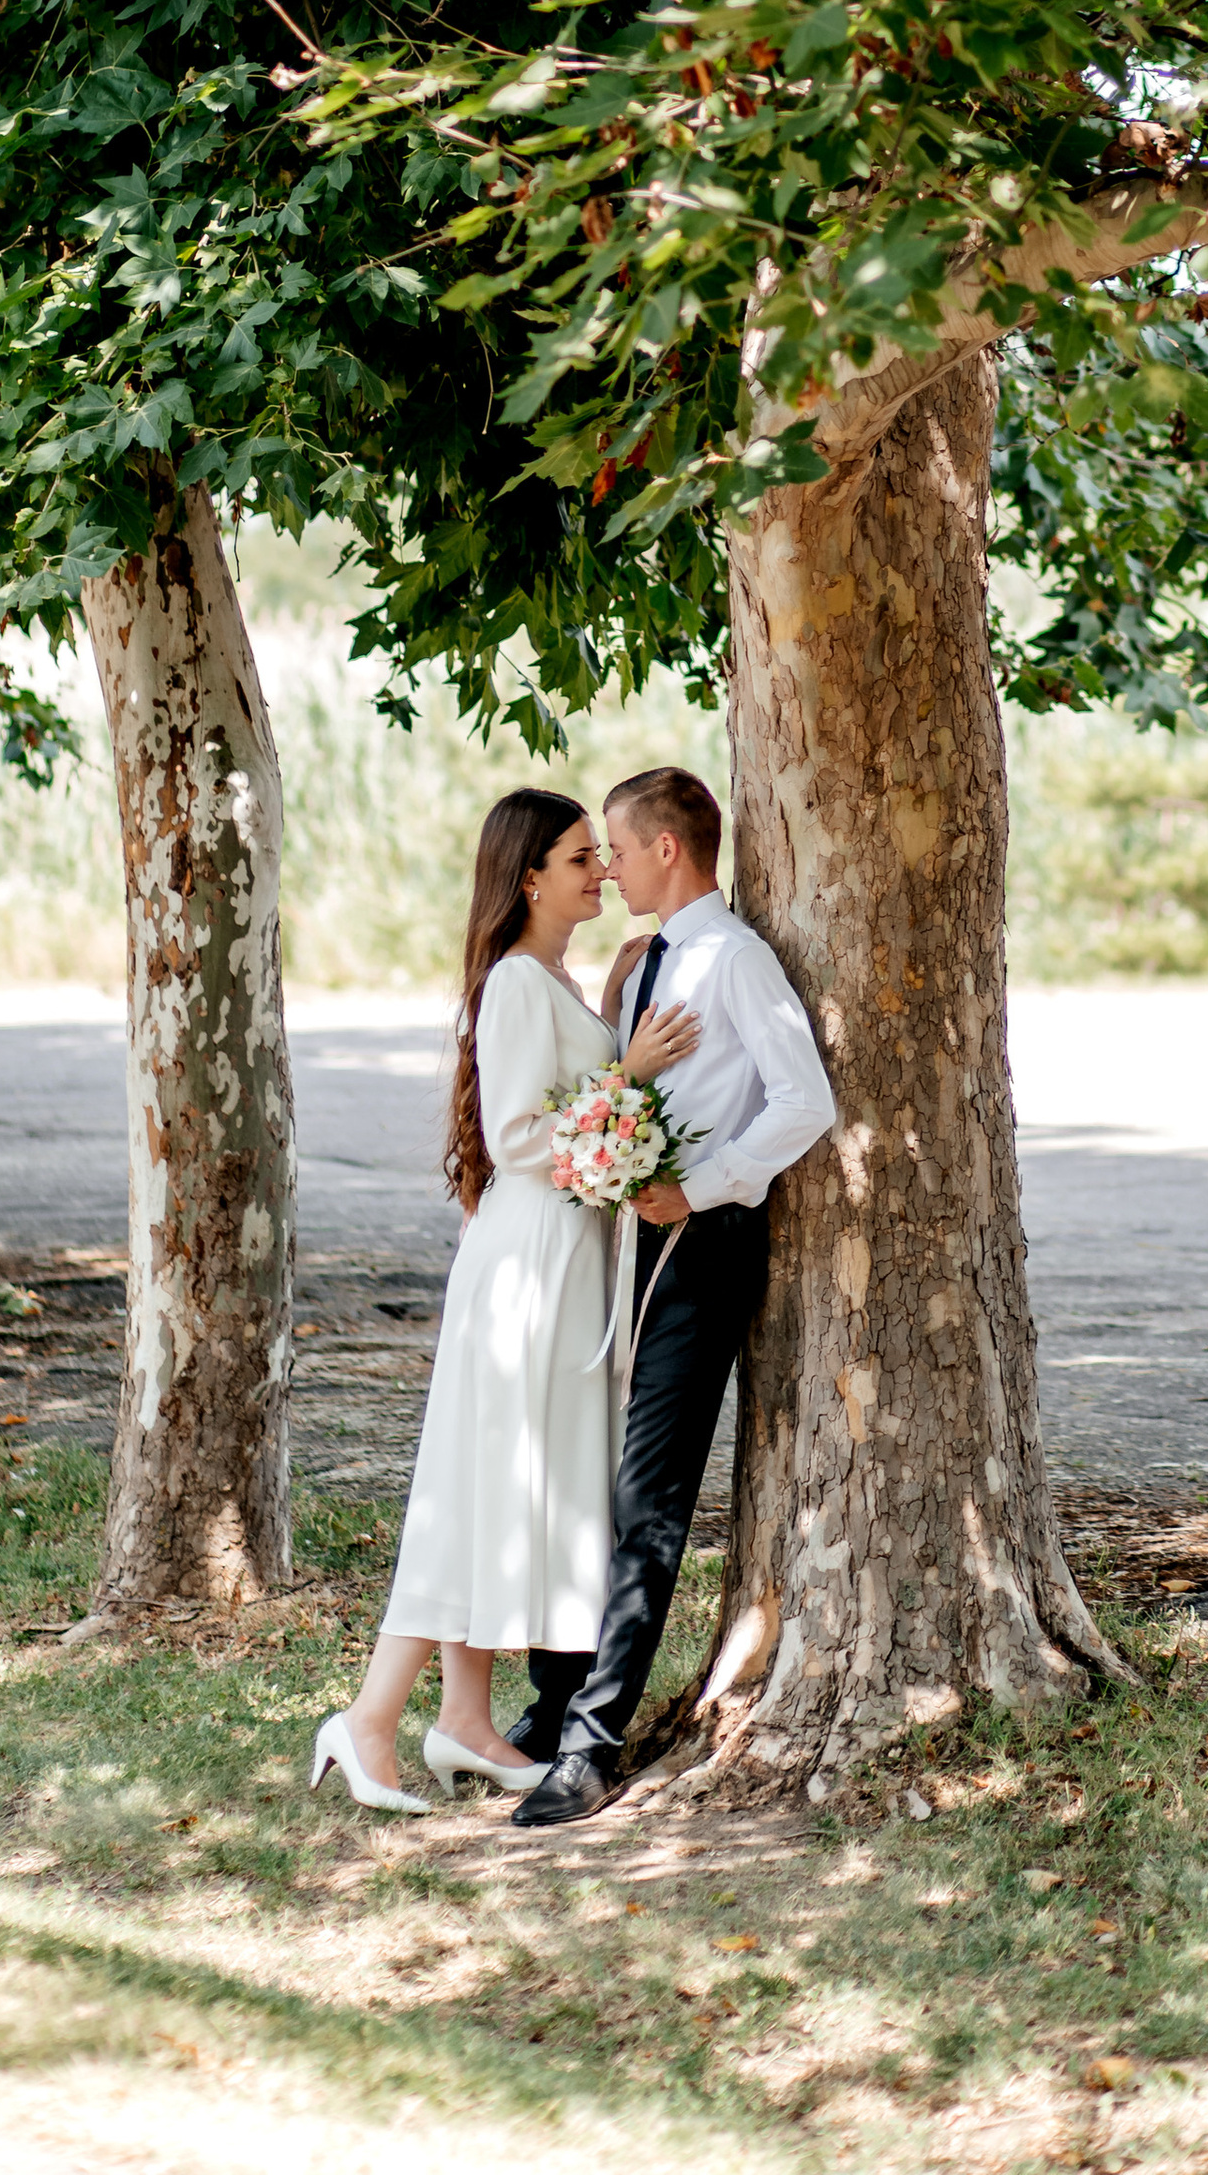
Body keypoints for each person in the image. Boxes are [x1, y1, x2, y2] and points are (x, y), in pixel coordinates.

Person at [311, 788, 701, 1812]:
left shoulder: (552, 983)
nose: (601, 871)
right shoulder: (519, 988)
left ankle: (467, 1720)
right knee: (481, 1486)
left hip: (558, 1255)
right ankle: (368, 1723)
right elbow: (522, 1135)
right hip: (531, 1259)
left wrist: (612, 1023)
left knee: (496, 1489)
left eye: (598, 856)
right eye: (580, 858)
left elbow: (563, 1098)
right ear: (528, 877)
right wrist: (630, 1071)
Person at [510, 763, 835, 1829]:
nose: (604, 864)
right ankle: (556, 1699)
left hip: (700, 1246)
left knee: (649, 1498)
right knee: (591, 1473)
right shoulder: (654, 958)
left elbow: (805, 1103)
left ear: (665, 848)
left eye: (614, 845)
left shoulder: (733, 961)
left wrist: (696, 1189)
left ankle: (591, 1745)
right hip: (634, 1242)